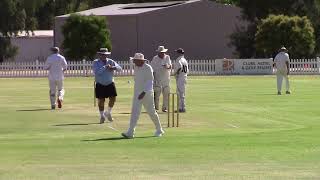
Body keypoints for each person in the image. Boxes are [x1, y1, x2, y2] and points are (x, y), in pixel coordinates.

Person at [122, 53, 165, 139]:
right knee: (135, 112)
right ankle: (130, 132)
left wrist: (143, 92)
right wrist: (138, 93)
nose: (134, 62)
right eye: (134, 61)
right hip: (137, 94)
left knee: (151, 112)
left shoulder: (148, 68)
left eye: (135, 60)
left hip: (147, 94)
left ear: (140, 61)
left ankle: (159, 129)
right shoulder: (136, 67)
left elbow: (150, 82)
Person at [93, 48, 122, 124]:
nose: (104, 56)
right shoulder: (96, 62)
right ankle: (102, 116)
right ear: (99, 55)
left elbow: (120, 68)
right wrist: (105, 67)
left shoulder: (111, 61)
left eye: (105, 55)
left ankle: (108, 112)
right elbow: (97, 72)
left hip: (110, 83)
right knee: (101, 101)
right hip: (100, 83)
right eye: (102, 54)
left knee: (113, 99)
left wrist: (113, 67)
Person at [150, 46, 172, 112]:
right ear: (158, 52)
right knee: (157, 94)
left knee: (166, 93)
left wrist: (167, 66)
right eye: (161, 52)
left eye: (163, 52)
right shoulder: (155, 58)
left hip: (166, 79)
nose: (162, 54)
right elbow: (152, 69)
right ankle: (156, 108)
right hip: (157, 79)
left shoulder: (167, 57)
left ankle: (165, 108)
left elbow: (170, 66)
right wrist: (153, 78)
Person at [173, 48, 189, 112]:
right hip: (184, 77)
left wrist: (176, 73)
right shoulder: (184, 60)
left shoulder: (179, 59)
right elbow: (187, 70)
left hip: (180, 77)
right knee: (182, 93)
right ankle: (182, 107)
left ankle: (181, 108)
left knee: (179, 93)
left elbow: (179, 67)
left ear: (179, 53)